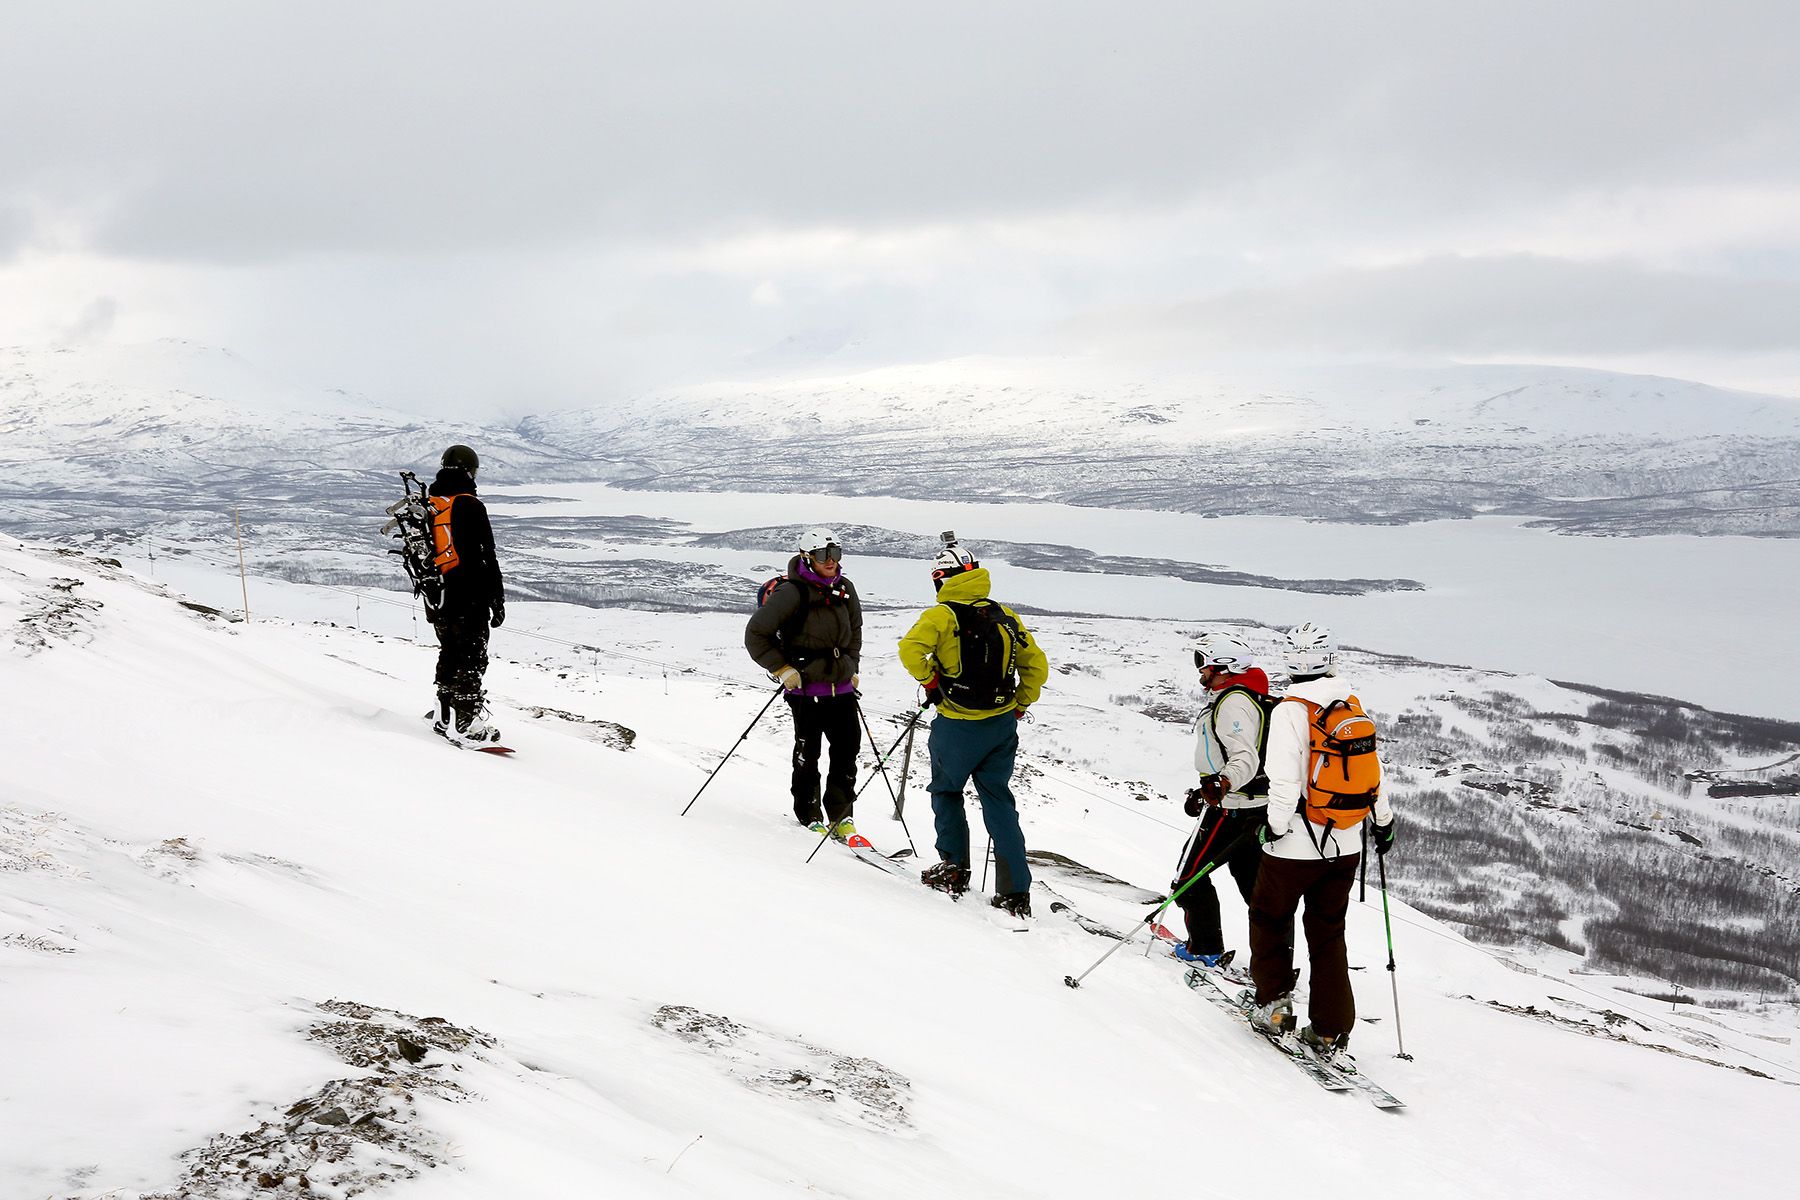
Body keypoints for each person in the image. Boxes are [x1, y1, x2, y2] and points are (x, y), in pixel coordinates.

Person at [1246, 622, 1397, 1059]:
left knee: (1271, 918)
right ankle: (1330, 1030)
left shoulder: (1291, 709)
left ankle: (1274, 1006)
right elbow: (1372, 774)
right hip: (1347, 844)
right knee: (1328, 934)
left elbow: (1283, 781)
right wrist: (1383, 821)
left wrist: (1274, 826)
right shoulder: (1351, 703)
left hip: (1295, 843)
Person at [897, 536, 1049, 918]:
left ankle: (953, 870)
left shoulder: (942, 615)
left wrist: (931, 682)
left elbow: (909, 650)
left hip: (957, 724)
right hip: (1000, 724)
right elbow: (1036, 666)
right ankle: (1015, 892)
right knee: (999, 801)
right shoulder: (1005, 615)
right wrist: (1020, 704)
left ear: (944, 579)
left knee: (947, 792)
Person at [745, 529, 864, 837]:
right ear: (807, 557)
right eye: (825, 556)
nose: (832, 562)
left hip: (843, 688)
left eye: (836, 554)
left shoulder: (845, 587)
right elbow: (756, 634)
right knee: (808, 753)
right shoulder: (792, 593)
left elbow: (855, 631)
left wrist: (852, 665)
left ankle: (841, 815)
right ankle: (808, 813)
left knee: (847, 750)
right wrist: (782, 670)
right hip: (806, 688)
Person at [1170, 631, 1276, 970]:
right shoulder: (1243, 697)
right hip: (1250, 808)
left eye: (1203, 664)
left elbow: (1244, 757)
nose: (1200, 671)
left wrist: (1222, 784)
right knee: (1256, 893)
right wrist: (1205, 790)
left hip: (1231, 810)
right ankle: (1273, 963)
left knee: (1187, 879)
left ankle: (1204, 948)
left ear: (1224, 667)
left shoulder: (1234, 702)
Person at [426, 444, 506, 743]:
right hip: (468, 594)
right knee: (472, 657)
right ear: (469, 470)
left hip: (438, 595)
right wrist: (497, 598)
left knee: (449, 651)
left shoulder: (431, 500)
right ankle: (467, 723)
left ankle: (442, 711)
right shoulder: (469, 505)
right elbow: (487, 556)